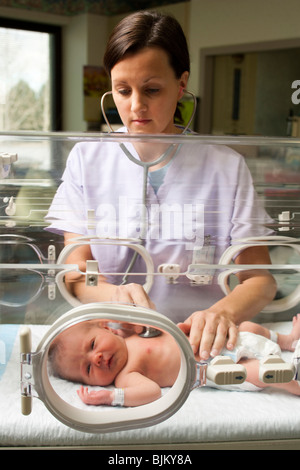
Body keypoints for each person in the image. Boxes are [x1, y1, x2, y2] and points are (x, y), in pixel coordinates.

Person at [45, 10, 277, 362]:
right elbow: (75, 275)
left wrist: (223, 313)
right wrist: (112, 296)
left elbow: (261, 280)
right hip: (116, 351)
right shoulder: (86, 160)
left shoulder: (226, 167)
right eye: (122, 91)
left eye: (152, 90)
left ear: (182, 84)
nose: (136, 106)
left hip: (203, 350)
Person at [48, 315, 300, 407]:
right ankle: (290, 382)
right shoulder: (126, 375)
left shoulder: (135, 329)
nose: (98, 358)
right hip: (217, 368)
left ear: (108, 328)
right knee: (257, 373)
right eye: (88, 368)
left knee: (249, 326)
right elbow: (152, 392)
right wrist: (112, 397)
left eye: (92, 346)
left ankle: (287, 340)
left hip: (223, 341)